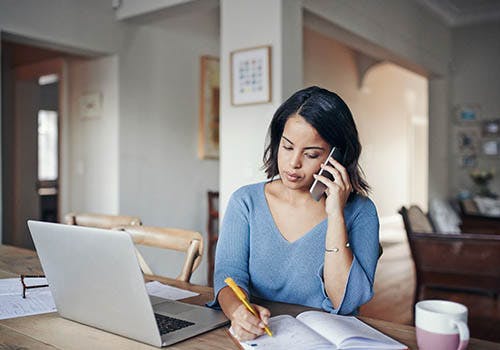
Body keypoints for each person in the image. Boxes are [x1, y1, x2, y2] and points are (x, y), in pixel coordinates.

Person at [207, 86, 380, 341]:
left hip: (326, 341)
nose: (293, 163)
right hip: (258, 338)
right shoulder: (246, 201)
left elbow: (345, 303)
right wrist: (238, 312)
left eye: (311, 154)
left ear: (338, 156)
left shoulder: (362, 213)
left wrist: (335, 216)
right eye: (287, 147)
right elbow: (229, 274)